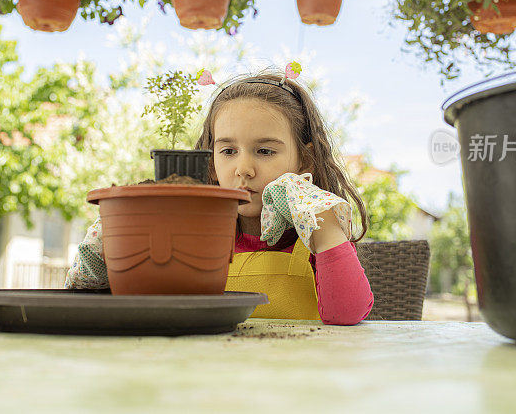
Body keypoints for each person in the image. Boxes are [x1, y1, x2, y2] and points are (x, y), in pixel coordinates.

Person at [65, 70, 373, 325]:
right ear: (210, 162)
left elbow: (347, 313)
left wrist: (321, 219)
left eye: (265, 151)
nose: (244, 169)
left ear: (304, 161)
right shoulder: (192, 239)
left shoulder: (315, 238)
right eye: (228, 151)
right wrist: (116, 240)